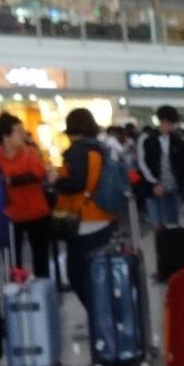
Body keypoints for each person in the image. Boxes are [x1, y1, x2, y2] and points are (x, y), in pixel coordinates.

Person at [54, 109, 118, 326]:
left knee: (77, 272)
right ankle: (106, 316)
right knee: (98, 271)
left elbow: (77, 183)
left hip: (84, 218)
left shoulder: (77, 151)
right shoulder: (100, 148)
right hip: (104, 214)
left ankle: (99, 317)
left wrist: (56, 181)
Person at [0, 112, 52, 278]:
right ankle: (17, 289)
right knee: (13, 261)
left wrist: (10, 180)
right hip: (11, 216)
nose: (23, 134)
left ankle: (42, 289)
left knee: (41, 259)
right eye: (18, 131)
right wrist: (14, 180)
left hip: (37, 213)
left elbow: (37, 173)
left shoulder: (30, 152)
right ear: (5, 136)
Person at [137, 104, 184, 229]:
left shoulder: (176, 140)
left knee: (173, 225)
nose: (170, 127)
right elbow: (142, 164)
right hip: (154, 189)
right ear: (161, 121)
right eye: (168, 123)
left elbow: (182, 166)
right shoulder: (146, 138)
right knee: (158, 225)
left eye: (172, 124)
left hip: (173, 188)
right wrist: (154, 183)